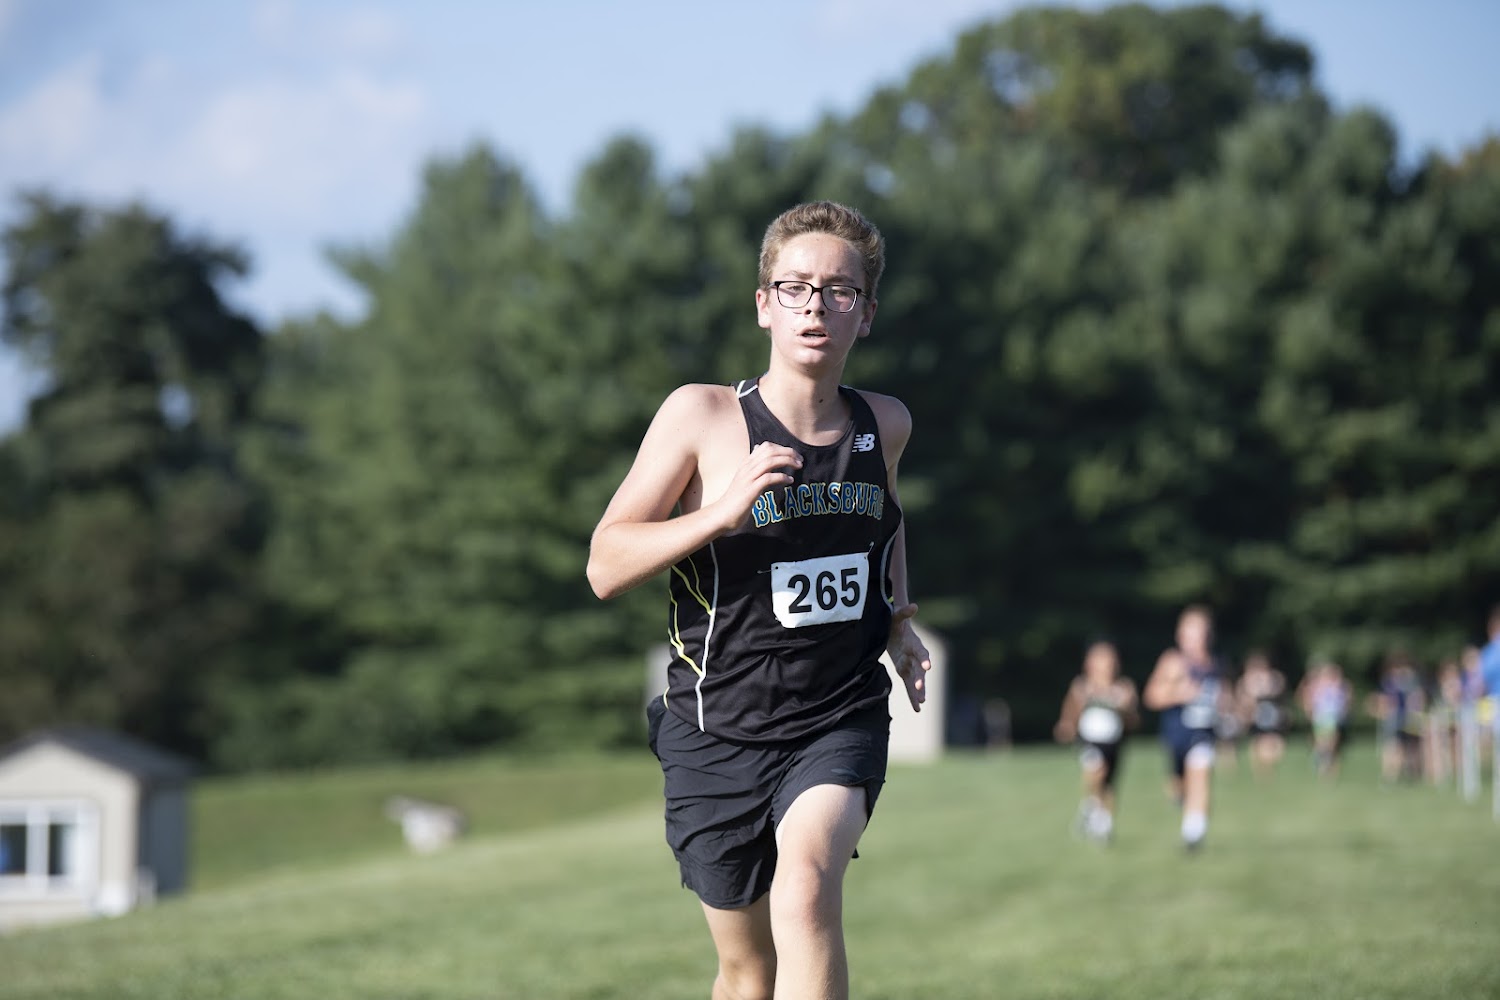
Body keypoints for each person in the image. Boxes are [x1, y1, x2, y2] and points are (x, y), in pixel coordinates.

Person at [587, 200, 931, 1000]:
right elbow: (605, 564)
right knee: (747, 974)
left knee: (806, 889)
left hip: (837, 714)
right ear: (763, 305)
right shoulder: (703, 416)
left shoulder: (886, 423)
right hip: (717, 729)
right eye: (795, 287)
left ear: (865, 314)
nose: (816, 307)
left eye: (839, 291)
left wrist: (899, 619)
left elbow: (887, 521)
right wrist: (719, 513)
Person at [1143, 605, 1227, 851]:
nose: (1196, 638)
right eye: (1190, 632)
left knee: (1200, 771)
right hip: (1176, 733)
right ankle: (1184, 801)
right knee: (1179, 786)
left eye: (1201, 632)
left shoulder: (1215, 664)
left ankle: (1193, 832)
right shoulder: (1172, 662)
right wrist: (1178, 694)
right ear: (1180, 635)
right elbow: (1151, 696)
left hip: (1203, 732)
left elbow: (1223, 698)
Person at [1053, 640, 1139, 843]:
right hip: (1089, 740)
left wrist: (1125, 708)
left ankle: (1102, 823)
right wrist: (1066, 725)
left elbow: (1134, 721)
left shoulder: (1123, 688)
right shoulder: (1082, 686)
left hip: (1114, 741)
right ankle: (1092, 808)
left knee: (1109, 785)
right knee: (1096, 769)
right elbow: (1070, 710)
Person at [1369, 654, 1427, 783]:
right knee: (1392, 746)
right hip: (1393, 719)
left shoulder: (1409, 682)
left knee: (1408, 747)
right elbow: (1380, 699)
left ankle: (1407, 773)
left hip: (1407, 718)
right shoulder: (1388, 683)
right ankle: (1389, 775)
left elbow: (1417, 699)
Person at [1237, 650, 1288, 781]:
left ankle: (1267, 769)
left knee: (1275, 744)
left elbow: (1279, 688)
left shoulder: (1274, 678)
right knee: (1258, 743)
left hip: (1271, 717)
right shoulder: (1245, 681)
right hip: (1256, 717)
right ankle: (1261, 772)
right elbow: (1243, 698)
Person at [1299, 660, 1352, 780]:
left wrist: (1346, 710)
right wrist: (1308, 710)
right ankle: (1321, 760)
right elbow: (1306, 696)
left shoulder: (1342, 686)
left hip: (1336, 718)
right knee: (1323, 743)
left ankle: (1328, 768)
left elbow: (1347, 701)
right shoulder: (1318, 685)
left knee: (1333, 745)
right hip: (1321, 717)